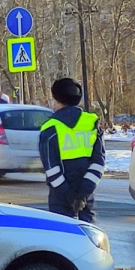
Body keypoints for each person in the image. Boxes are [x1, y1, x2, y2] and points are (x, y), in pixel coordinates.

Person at [39, 78, 105, 223]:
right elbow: (99, 162)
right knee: (89, 236)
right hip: (86, 193)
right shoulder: (91, 124)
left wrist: (69, 195)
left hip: (60, 196)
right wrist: (83, 193)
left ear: (56, 98)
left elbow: (51, 168)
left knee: (62, 239)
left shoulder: (50, 128)